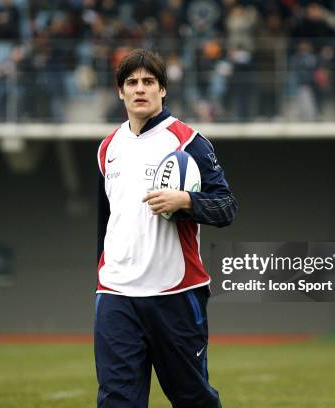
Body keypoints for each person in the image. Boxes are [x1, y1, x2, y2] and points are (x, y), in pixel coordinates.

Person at [95, 49, 237, 408]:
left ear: (163, 90)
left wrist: (186, 202)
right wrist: (104, 274)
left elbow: (226, 208)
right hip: (115, 294)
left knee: (192, 398)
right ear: (120, 92)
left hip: (175, 292)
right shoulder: (107, 148)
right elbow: (108, 222)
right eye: (131, 82)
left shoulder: (189, 142)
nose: (139, 89)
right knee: (116, 400)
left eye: (148, 82)